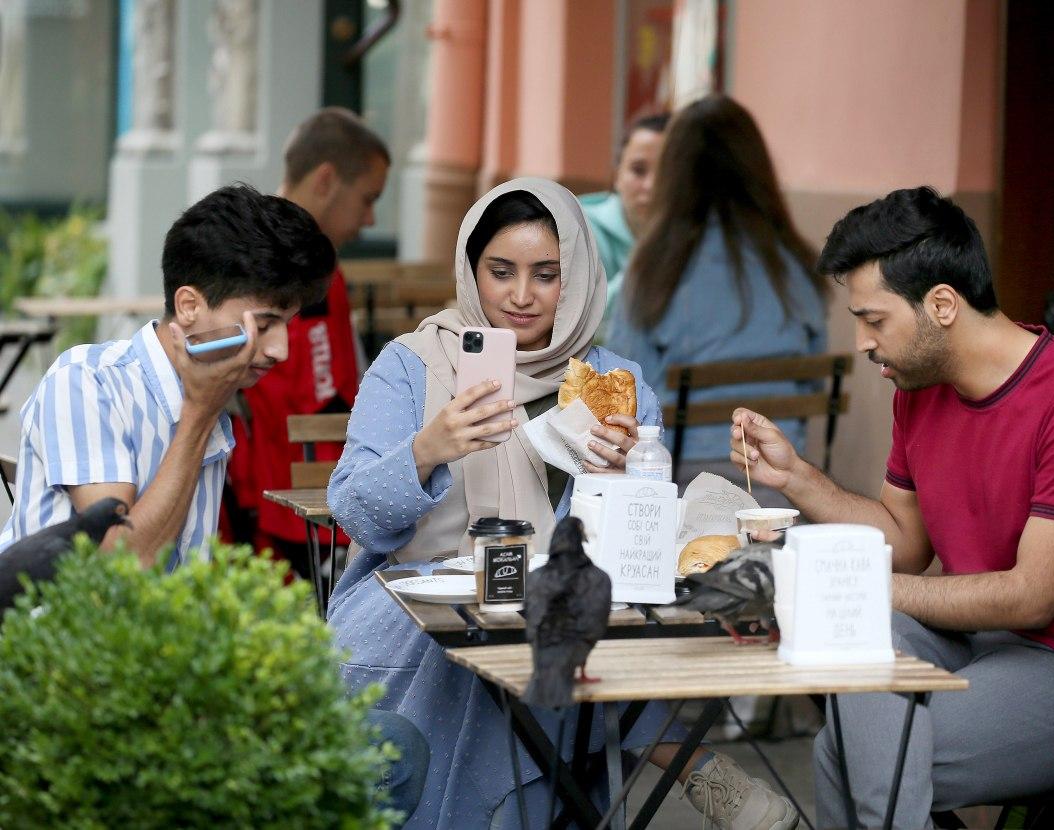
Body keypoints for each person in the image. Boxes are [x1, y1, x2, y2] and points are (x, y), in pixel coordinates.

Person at [327, 177, 797, 829]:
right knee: (496, 641)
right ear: (471, 269)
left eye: (546, 275)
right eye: (501, 272)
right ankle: (689, 765)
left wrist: (622, 475)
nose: (521, 297)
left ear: (575, 276)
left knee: (549, 625)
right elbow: (354, 512)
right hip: (414, 605)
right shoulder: (411, 366)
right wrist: (428, 448)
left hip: (564, 604)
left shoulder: (613, 383)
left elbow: (635, 559)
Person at [730, 186, 1054, 829]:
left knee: (848, 753)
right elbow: (904, 544)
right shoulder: (920, 391)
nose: (861, 343)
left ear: (941, 305)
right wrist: (795, 478)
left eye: (875, 320)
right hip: (974, 644)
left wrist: (861, 588)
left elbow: (1029, 598)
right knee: (867, 655)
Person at [0, 185, 335, 567]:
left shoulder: (209, 393)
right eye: (264, 323)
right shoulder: (86, 381)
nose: (281, 349)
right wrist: (198, 416)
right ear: (189, 305)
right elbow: (122, 565)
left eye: (288, 324)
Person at [607, 94, 826, 504]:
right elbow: (812, 378)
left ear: (674, 172)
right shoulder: (795, 263)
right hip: (784, 485)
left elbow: (628, 387)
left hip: (683, 488)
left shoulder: (656, 267)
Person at [224, 107, 390, 580]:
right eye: (367, 198)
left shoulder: (274, 251)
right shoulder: (295, 269)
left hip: (276, 494)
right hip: (283, 499)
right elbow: (324, 393)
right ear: (326, 179)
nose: (370, 218)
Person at [578, 112, 668, 334]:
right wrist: (646, 261)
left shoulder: (699, 236)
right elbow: (586, 327)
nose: (651, 186)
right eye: (638, 170)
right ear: (617, 175)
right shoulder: (581, 230)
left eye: (668, 173)